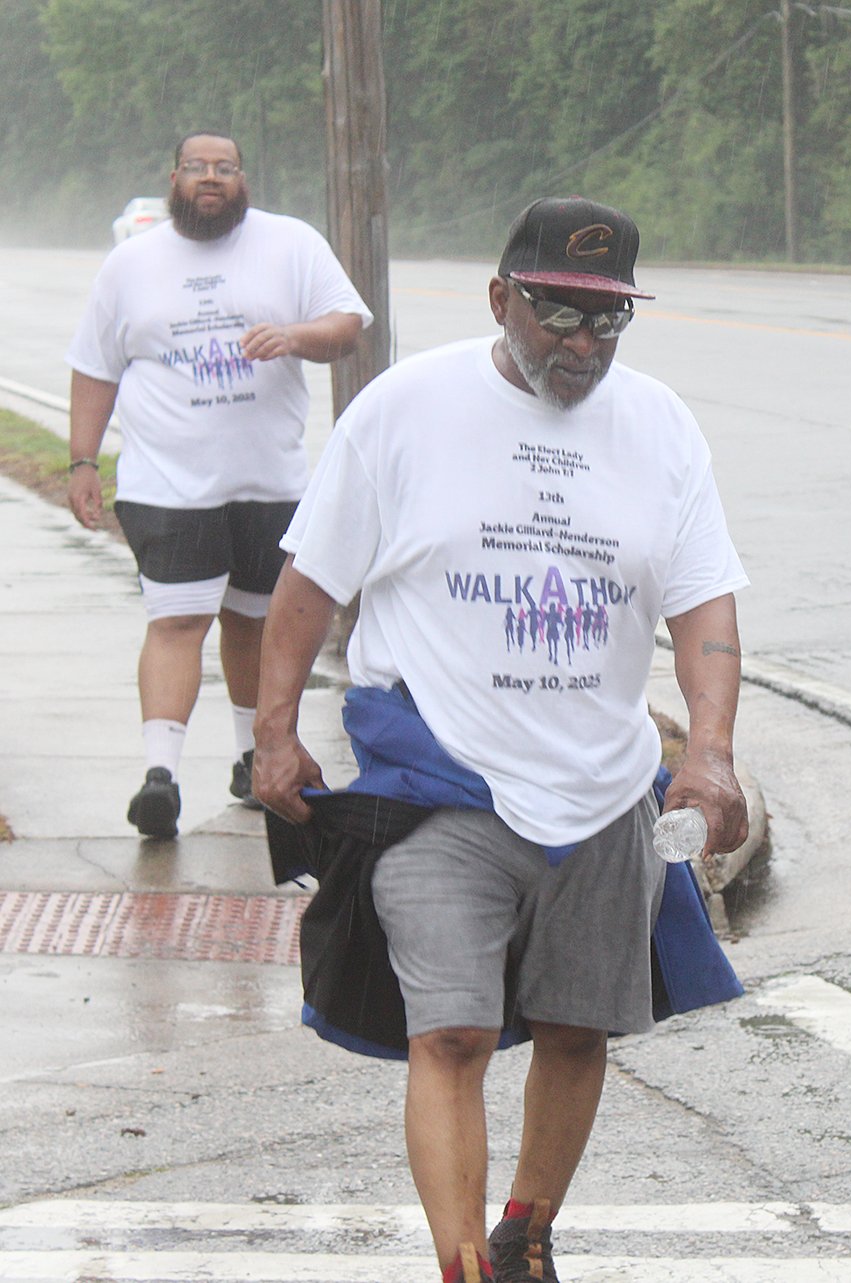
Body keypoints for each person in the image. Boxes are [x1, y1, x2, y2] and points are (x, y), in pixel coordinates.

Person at [252, 195, 749, 1283]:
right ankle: (463, 1263)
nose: (581, 344)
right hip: (439, 779)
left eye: (606, 319)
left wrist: (707, 749)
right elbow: (309, 581)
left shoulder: (659, 424)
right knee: (453, 1035)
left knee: (578, 1029)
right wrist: (272, 731)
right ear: (499, 297)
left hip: (602, 785)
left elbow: (704, 606)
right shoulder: (403, 411)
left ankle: (526, 1231)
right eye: (555, 314)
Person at [65, 130, 371, 839]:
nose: (211, 178)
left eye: (224, 168)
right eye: (198, 168)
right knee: (176, 620)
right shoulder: (130, 264)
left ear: (244, 179)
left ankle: (247, 759)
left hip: (269, 481)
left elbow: (347, 325)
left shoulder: (289, 243)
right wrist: (83, 460)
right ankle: (160, 776)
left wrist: (294, 336)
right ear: (173, 178)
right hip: (167, 484)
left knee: (254, 622)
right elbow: (95, 366)